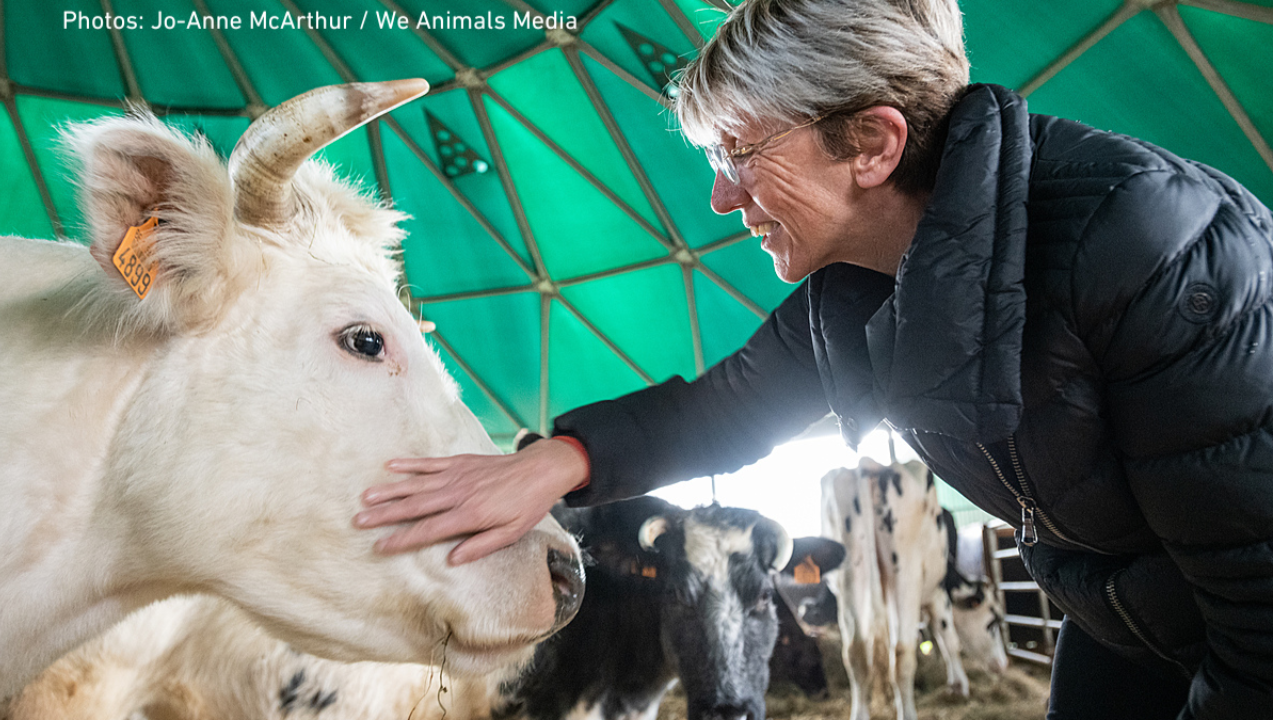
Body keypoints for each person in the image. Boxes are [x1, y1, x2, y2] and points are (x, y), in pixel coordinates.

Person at [353, 0, 1273, 716]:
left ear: (871, 143)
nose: (720, 197)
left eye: (740, 152)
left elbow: (1261, 612)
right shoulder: (867, 279)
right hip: (1120, 616)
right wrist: (548, 466)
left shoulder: (1157, 253)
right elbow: (726, 408)